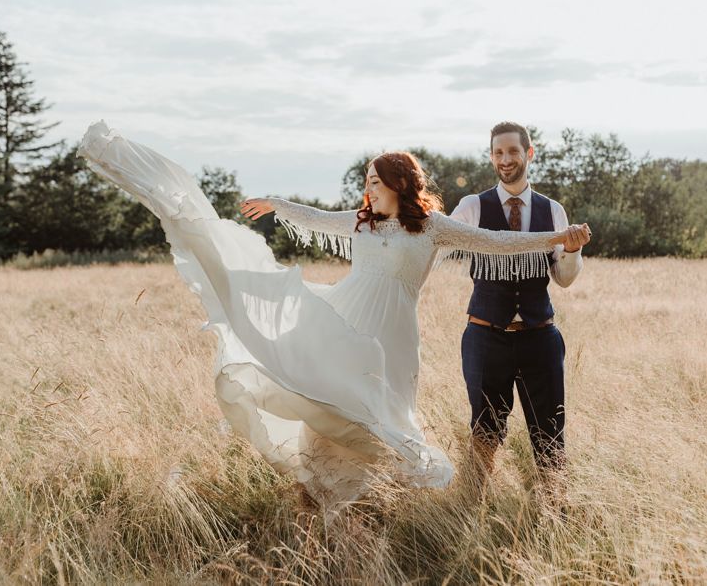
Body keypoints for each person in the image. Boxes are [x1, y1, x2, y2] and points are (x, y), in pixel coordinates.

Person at [77, 120, 587, 507]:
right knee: (327, 409)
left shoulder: (432, 228)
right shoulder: (360, 223)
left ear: (399, 182)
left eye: (375, 178)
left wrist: (558, 239)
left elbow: (497, 241)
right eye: (365, 178)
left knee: (383, 420)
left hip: (395, 337)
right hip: (344, 323)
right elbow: (314, 217)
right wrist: (276, 202)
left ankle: (378, 504)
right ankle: (318, 499)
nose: (367, 187)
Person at [450, 121, 591, 492]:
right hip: (484, 336)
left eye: (513, 151)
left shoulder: (552, 210)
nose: (505, 159)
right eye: (498, 152)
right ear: (492, 156)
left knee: (550, 433)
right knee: (484, 431)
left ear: (528, 153)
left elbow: (564, 278)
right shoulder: (471, 207)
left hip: (539, 338)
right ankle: (467, 510)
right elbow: (438, 242)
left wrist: (573, 251)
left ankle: (555, 511)